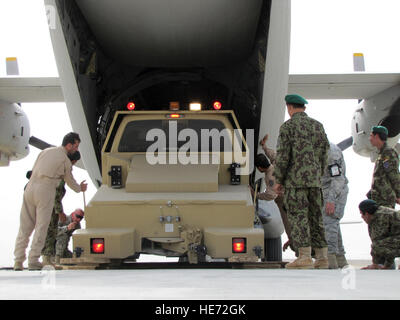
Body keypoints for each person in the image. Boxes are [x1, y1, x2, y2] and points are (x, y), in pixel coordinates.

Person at [13, 132, 88, 271]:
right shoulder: (65, 160)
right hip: (45, 189)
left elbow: (35, 168)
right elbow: (70, 182)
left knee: (25, 227)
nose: (76, 149)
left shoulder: (46, 151)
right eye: (76, 146)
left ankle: (18, 261)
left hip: (30, 187)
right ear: (69, 144)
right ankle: (33, 260)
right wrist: (80, 188)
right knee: (42, 227)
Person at [273, 94, 330, 269]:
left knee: (299, 217)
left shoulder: (288, 127)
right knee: (316, 218)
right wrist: (317, 174)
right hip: (314, 182)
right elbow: (325, 153)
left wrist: (279, 180)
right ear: (303, 108)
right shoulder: (317, 126)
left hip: (296, 182)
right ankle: (322, 258)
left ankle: (304, 256)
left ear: (289, 108)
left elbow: (283, 156)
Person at [253, 134, 294, 253]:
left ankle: (297, 248)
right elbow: (273, 155)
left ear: (260, 168)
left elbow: (271, 195)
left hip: (283, 201)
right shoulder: (276, 163)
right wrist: (264, 146)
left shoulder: (271, 177)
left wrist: (255, 195)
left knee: (288, 225)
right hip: (292, 197)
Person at [41, 151, 81, 266]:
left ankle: (48, 258)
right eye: (77, 216)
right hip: (50, 207)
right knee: (50, 231)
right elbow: (56, 194)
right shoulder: (61, 171)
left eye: (81, 217)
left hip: (49, 205)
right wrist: (60, 212)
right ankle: (48, 258)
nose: (79, 219)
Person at [321, 142, 349, 269]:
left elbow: (337, 178)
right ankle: (340, 259)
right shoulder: (318, 149)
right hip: (326, 191)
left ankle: (330, 259)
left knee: (329, 223)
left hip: (335, 192)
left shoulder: (332, 152)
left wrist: (331, 200)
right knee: (333, 225)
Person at [358, 199, 400, 270]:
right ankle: (387, 266)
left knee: (377, 246)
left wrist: (376, 265)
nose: (361, 217)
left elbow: (378, 245)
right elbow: (390, 244)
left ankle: (382, 266)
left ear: (367, 214)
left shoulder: (380, 218)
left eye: (362, 214)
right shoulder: (380, 212)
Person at [367, 125, 400, 208]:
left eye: (371, 136)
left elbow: (393, 175)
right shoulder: (382, 154)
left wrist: (399, 194)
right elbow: (381, 175)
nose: (369, 139)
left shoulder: (388, 153)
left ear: (376, 136)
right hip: (379, 198)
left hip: (385, 199)